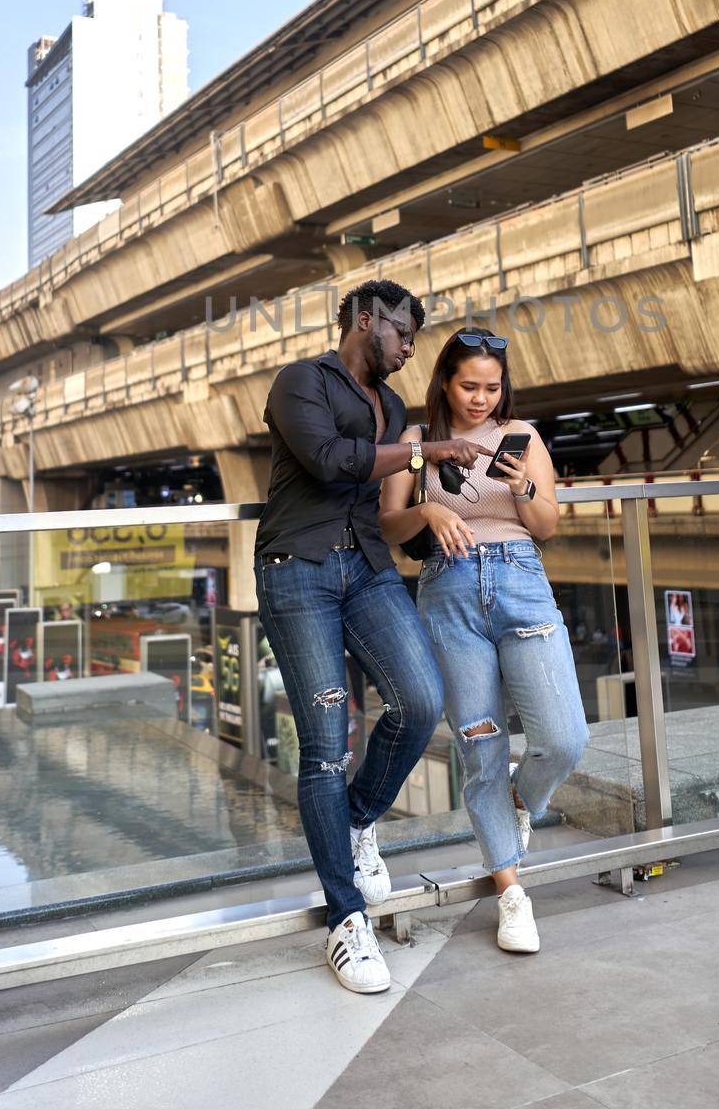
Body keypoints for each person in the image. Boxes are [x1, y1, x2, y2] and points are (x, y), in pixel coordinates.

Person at [253, 280, 491, 994]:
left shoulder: (389, 407)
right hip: (297, 570)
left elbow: (381, 495)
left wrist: (430, 499)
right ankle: (344, 920)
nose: (410, 347)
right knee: (326, 746)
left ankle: (356, 822)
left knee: (420, 701)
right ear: (366, 321)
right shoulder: (300, 381)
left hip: (368, 569)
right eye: (404, 333)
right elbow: (330, 463)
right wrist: (424, 452)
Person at [381, 328, 589, 956]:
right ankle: (511, 893)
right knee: (480, 746)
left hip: (522, 581)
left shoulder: (523, 436)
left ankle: (523, 798)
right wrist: (430, 511)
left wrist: (525, 488)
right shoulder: (416, 444)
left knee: (564, 737)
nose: (480, 399)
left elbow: (548, 524)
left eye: (492, 387)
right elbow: (391, 524)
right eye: (469, 386)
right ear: (444, 381)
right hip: (449, 593)